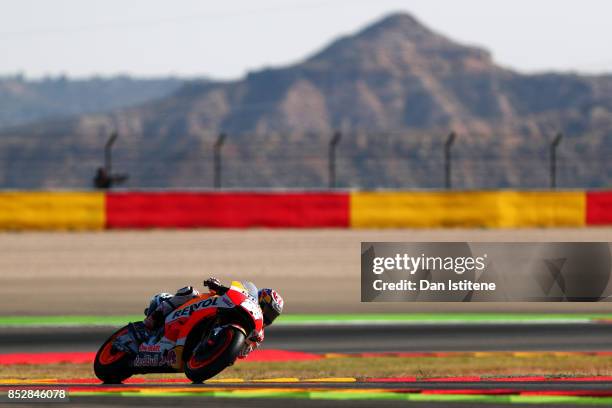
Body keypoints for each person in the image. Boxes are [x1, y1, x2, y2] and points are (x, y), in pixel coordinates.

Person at [141, 278, 284, 359]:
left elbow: (241, 355)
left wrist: (248, 342)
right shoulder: (245, 300)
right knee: (189, 292)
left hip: (209, 353)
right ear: (259, 300)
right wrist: (218, 286)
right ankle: (154, 317)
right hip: (199, 309)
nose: (268, 317)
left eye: (272, 315)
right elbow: (223, 293)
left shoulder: (258, 334)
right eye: (268, 310)